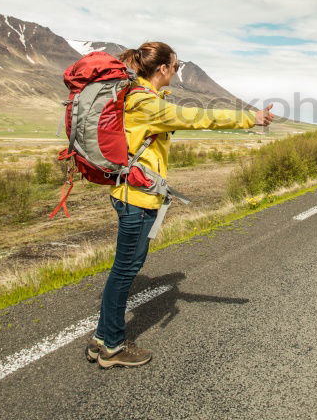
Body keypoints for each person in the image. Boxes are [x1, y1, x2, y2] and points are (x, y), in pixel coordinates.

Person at [88, 41, 275, 369]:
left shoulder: (145, 98)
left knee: (123, 270)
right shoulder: (144, 103)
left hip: (134, 195)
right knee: (125, 272)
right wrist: (251, 118)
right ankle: (112, 346)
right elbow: (197, 117)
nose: (177, 71)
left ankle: (102, 339)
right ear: (162, 69)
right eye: (175, 66)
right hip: (136, 200)